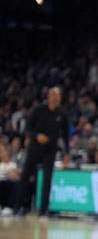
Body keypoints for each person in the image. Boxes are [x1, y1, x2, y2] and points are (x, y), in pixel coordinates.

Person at [15, 86, 70, 217]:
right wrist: (36, 136)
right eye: (53, 94)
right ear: (48, 96)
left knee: (47, 179)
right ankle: (20, 207)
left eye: (58, 95)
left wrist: (67, 153)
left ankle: (43, 210)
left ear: (60, 98)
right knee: (25, 176)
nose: (55, 97)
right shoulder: (38, 110)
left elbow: (66, 135)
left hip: (50, 150)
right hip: (35, 148)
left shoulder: (62, 113)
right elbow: (28, 128)